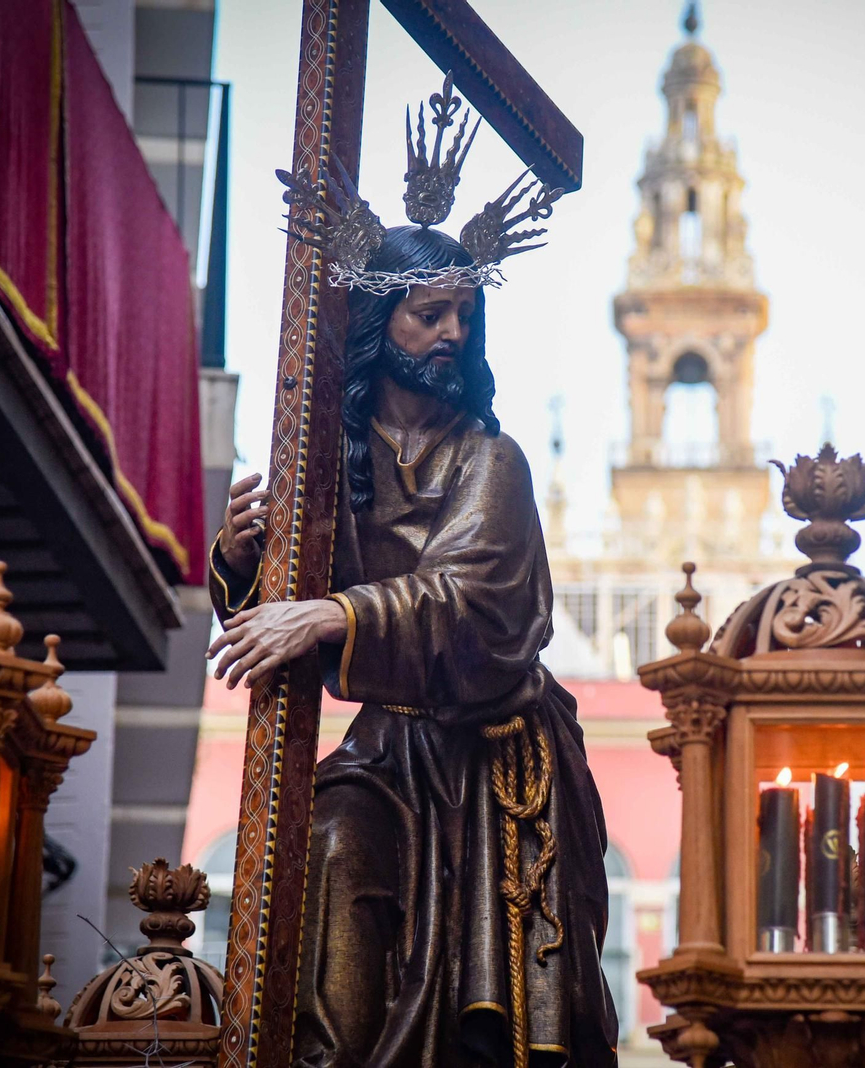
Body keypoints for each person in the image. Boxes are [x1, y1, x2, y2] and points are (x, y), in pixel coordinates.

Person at [206, 76, 618, 1068]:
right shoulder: (323, 464)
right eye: (428, 315)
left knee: (489, 1024)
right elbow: (278, 610)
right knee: (334, 849)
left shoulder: (492, 459)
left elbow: (471, 598)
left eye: (462, 317)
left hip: (493, 760)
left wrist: (327, 616)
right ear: (376, 325)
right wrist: (241, 558)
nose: (451, 337)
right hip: (389, 749)